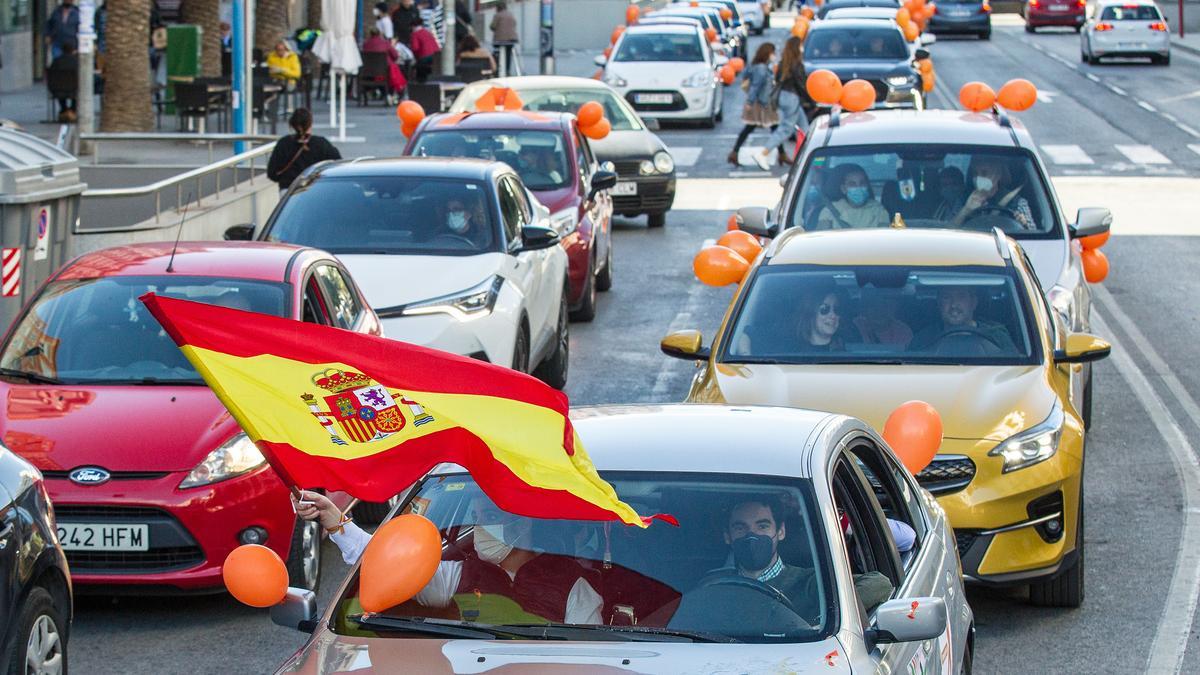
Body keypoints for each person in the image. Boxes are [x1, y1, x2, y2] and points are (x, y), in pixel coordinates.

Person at [296, 490, 603, 624]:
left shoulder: (575, 590)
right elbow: (386, 562)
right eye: (477, 516)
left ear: (524, 525)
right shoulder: (460, 575)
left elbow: (590, 661)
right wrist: (336, 521)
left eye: (491, 516)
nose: (480, 527)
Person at [722, 498, 893, 618]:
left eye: (762, 526)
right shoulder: (716, 586)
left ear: (780, 532)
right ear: (728, 537)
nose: (752, 535)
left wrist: (824, 619)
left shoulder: (812, 583)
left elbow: (879, 583)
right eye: (740, 528)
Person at [754, 37, 808, 171]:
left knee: (805, 128)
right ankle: (763, 153)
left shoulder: (784, 62)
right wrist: (812, 101)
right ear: (797, 48)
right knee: (786, 128)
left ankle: (807, 157)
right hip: (792, 98)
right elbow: (801, 85)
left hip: (783, 96)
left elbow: (778, 79)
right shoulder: (797, 64)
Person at [909, 286, 1017, 353]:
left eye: (961, 296)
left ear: (973, 303)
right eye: (947, 297)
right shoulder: (923, 340)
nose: (954, 304)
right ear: (939, 303)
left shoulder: (997, 337)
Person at [728, 42, 783, 167]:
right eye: (773, 53)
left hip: (762, 102)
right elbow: (756, 86)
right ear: (767, 54)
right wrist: (750, 102)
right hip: (761, 104)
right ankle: (734, 152)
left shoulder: (759, 66)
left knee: (773, 128)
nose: (774, 56)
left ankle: (782, 153)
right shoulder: (761, 68)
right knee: (762, 128)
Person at [267, 108, 342, 192]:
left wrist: (285, 180)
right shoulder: (322, 144)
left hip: (289, 191)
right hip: (316, 190)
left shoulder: (283, 143)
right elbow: (338, 165)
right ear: (310, 124)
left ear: (292, 124)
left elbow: (271, 173)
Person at [951, 156, 1035, 230]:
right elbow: (949, 232)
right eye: (975, 173)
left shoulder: (1017, 203)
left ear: (998, 174)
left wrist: (1023, 224)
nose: (978, 177)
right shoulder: (963, 199)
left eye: (984, 173)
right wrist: (966, 210)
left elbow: (1032, 236)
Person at [815, 164, 889, 229]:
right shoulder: (829, 211)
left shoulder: (879, 210)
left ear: (867, 186)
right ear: (844, 189)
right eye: (852, 184)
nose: (858, 187)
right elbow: (821, 241)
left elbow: (883, 240)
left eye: (862, 183)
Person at [362, 28, 407, 103]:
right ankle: (395, 94)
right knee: (396, 70)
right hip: (384, 73)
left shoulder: (365, 44)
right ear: (379, 34)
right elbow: (395, 55)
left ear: (370, 35)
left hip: (367, 74)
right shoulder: (385, 43)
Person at [797, 287, 845, 351]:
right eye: (824, 309)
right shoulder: (792, 354)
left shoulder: (850, 353)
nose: (833, 315)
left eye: (836, 309)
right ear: (811, 313)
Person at [47, 40, 79, 122]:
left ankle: (64, 109)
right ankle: (72, 110)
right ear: (73, 50)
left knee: (62, 90)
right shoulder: (76, 62)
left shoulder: (56, 61)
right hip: (74, 90)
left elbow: (50, 74)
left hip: (57, 90)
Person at [490, 1, 519, 75]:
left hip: (500, 40)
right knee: (508, 54)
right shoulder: (511, 14)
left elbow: (492, 26)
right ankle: (507, 70)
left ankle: (498, 69)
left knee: (497, 52)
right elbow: (514, 24)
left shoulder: (497, 15)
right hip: (512, 39)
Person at [409, 15, 440, 82]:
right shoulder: (427, 32)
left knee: (416, 69)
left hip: (424, 59)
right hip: (436, 58)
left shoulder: (415, 34)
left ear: (412, 26)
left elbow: (415, 48)